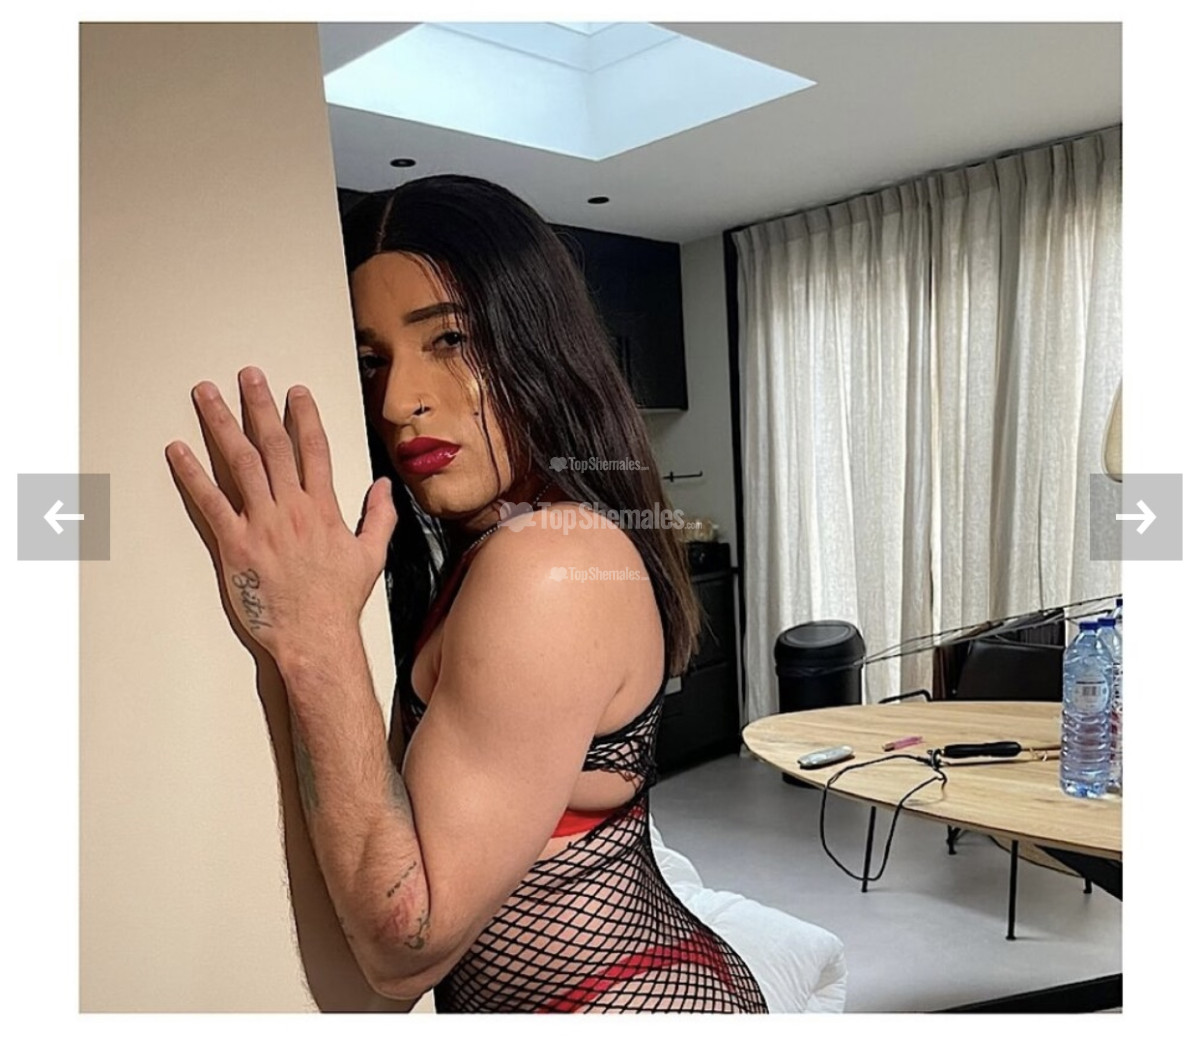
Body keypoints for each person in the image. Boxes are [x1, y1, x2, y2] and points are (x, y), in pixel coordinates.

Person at [170, 172, 768, 1013]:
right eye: (371, 360)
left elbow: (403, 943)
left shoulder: (547, 561)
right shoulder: (496, 547)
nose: (397, 401)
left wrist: (314, 631)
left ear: (538, 343)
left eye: (449, 338)